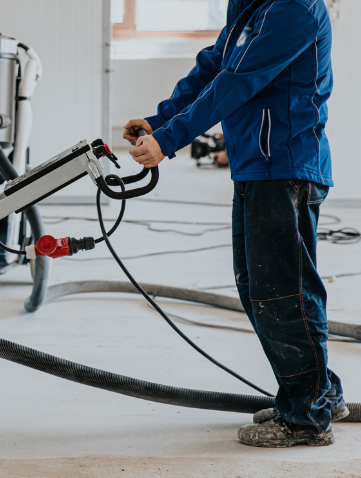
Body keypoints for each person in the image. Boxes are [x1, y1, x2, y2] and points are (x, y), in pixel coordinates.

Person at [123, 0, 345, 448]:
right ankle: (315, 394)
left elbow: (236, 83)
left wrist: (169, 140)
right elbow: (215, 64)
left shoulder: (294, 9)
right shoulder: (252, 4)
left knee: (283, 292)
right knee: (258, 288)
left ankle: (307, 417)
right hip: (255, 167)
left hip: (285, 168)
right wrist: (160, 118)